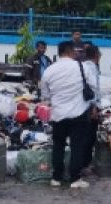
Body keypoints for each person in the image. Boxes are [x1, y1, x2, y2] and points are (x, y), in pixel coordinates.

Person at [40, 41, 94, 188]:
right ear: (71, 52)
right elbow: (92, 87)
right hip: (79, 113)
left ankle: (56, 178)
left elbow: (45, 95)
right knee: (77, 146)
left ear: (59, 52)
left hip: (58, 114)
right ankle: (75, 179)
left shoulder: (49, 71)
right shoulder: (82, 67)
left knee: (58, 146)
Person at [80, 43, 102, 176]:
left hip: (82, 106)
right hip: (90, 107)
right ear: (96, 55)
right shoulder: (92, 68)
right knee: (89, 136)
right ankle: (85, 164)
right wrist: (94, 107)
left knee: (84, 135)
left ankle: (83, 163)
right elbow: (94, 88)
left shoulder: (82, 66)